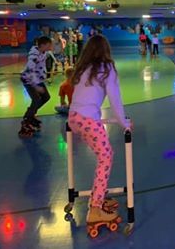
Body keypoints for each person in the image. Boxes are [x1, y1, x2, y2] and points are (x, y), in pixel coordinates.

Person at [69, 35, 130, 228]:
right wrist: (124, 123)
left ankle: (98, 196)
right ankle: (95, 208)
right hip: (88, 119)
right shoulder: (107, 68)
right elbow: (115, 99)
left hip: (74, 117)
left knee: (102, 155)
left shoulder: (84, 68)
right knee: (106, 156)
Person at [18, 36, 53, 137]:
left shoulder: (44, 52)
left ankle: (31, 115)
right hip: (29, 79)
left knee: (46, 97)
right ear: (43, 45)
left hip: (38, 79)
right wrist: (36, 86)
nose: (50, 46)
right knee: (36, 99)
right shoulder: (33, 55)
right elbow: (30, 71)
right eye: (49, 45)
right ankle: (26, 120)